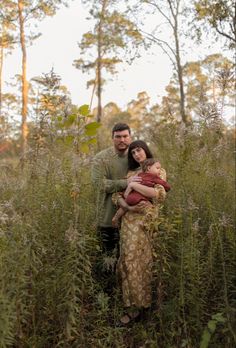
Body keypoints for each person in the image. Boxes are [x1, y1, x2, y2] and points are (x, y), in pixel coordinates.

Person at [112, 140, 168, 325]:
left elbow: (158, 195)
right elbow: (117, 196)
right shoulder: (129, 174)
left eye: (139, 150)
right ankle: (133, 307)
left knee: (145, 261)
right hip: (128, 222)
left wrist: (135, 187)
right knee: (128, 260)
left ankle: (146, 306)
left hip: (147, 222)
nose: (137, 154)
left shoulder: (156, 169)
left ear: (145, 150)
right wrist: (127, 204)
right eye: (133, 152)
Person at [91, 123, 141, 253]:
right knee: (107, 260)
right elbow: (98, 184)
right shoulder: (101, 158)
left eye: (125, 136)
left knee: (128, 261)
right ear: (112, 138)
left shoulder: (137, 156)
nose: (122, 140)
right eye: (118, 137)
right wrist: (126, 183)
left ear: (130, 137)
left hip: (133, 220)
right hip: (108, 219)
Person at [112, 158, 170, 227]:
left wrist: (126, 193)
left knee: (123, 208)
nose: (159, 171)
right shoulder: (154, 177)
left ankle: (116, 217)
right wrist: (168, 187)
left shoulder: (139, 175)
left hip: (130, 196)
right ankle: (145, 223)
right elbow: (164, 184)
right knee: (150, 209)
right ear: (148, 168)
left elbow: (130, 186)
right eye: (157, 168)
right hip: (140, 198)